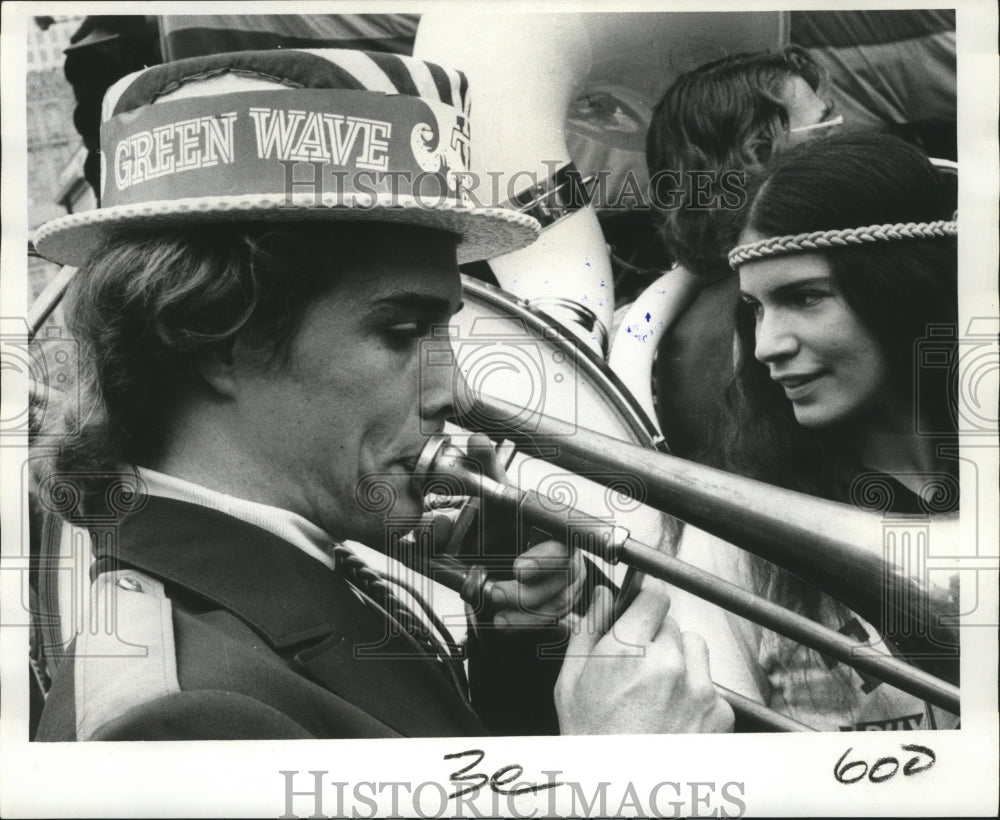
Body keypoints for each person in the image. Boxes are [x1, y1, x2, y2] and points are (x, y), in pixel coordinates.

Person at [31, 48, 733, 740]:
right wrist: (617, 779)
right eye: (403, 332)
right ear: (216, 336)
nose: (454, 392)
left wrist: (514, 636)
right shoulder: (179, 714)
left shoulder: (284, 580)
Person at [667, 133, 960, 732]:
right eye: (755, 309)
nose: (768, 345)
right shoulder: (732, 532)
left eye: (805, 297)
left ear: (904, 288)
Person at [644, 46, 842, 459]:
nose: (846, 139)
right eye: (826, 130)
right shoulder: (769, 301)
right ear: (757, 153)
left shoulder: (695, 315)